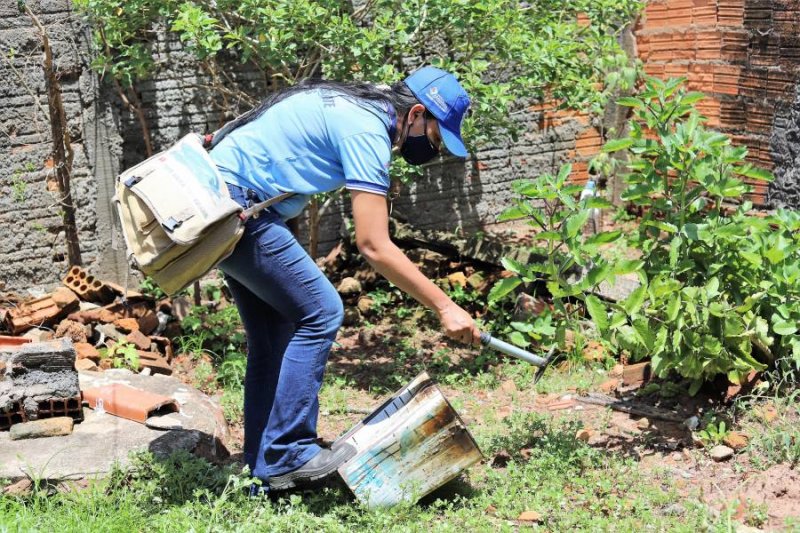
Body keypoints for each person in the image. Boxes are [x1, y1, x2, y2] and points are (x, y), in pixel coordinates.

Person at [210, 66, 480, 491]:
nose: (433, 148)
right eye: (434, 136)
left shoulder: (359, 102)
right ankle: (288, 452)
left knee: (274, 334)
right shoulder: (367, 129)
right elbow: (374, 245)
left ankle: (262, 471)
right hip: (239, 207)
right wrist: (445, 307)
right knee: (322, 312)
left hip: (222, 202)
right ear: (416, 114)